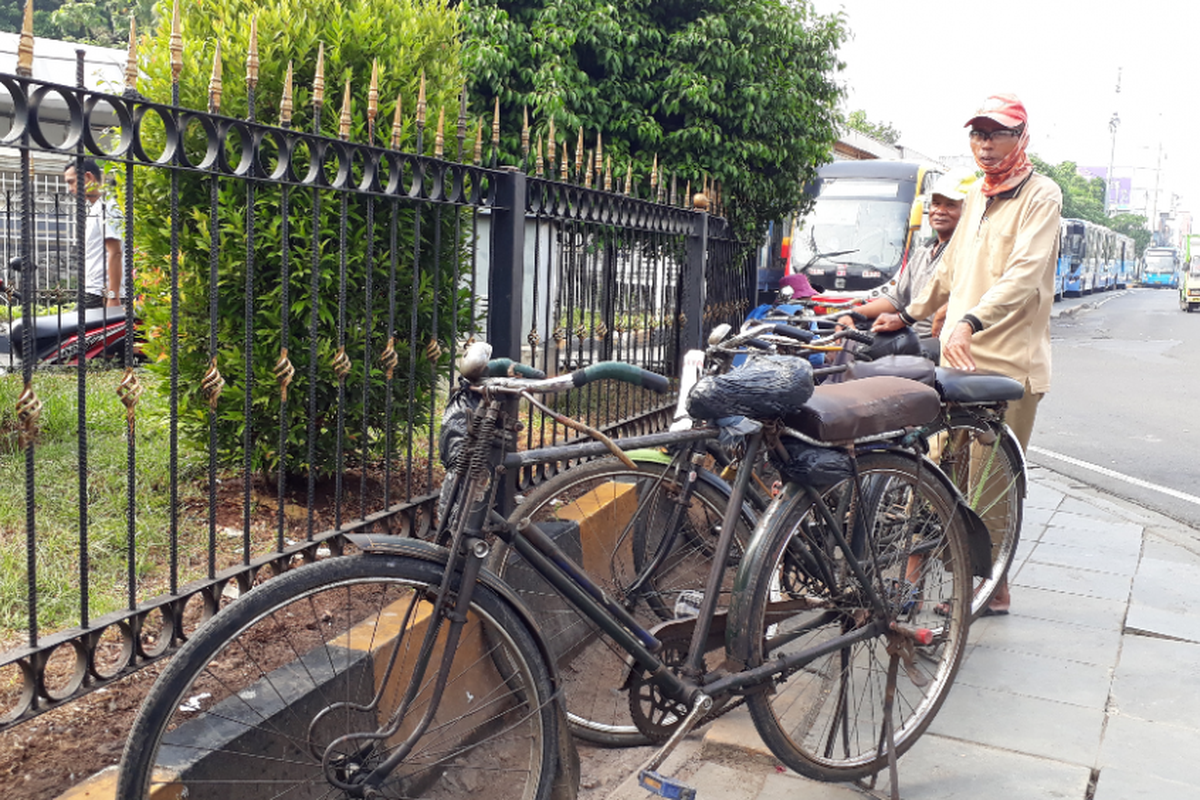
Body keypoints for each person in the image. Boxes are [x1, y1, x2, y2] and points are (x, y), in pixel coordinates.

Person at [874, 93, 1063, 615]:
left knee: (989, 482)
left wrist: (970, 319)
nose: (985, 144)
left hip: (1007, 363)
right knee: (937, 467)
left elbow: (1025, 275)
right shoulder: (977, 195)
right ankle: (927, 579)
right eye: (978, 134)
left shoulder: (1042, 196)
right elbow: (949, 269)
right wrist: (910, 313)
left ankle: (993, 586)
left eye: (997, 133)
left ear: (1022, 137)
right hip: (957, 360)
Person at [837, 170, 977, 357]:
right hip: (910, 336)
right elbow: (896, 300)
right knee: (848, 347)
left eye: (951, 205)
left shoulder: (971, 251)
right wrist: (853, 314)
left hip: (939, 343)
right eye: (936, 204)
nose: (940, 211)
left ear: (968, 211)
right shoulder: (922, 253)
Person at [64, 159, 125, 309]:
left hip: (100, 295)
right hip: (95, 291)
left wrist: (113, 296)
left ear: (89, 177)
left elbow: (116, 252)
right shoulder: (97, 208)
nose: (70, 189)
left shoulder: (107, 207)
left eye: (72, 182)